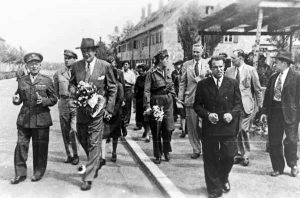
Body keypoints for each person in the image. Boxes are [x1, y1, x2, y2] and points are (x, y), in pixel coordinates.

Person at [69, 38, 117, 190]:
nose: (86, 53)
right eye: (83, 51)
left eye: (89, 50)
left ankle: (88, 177)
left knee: (94, 142)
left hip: (97, 112)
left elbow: (113, 88)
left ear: (95, 51)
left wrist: (108, 109)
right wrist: (76, 91)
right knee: (82, 138)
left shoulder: (105, 66)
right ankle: (94, 162)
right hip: (82, 111)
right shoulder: (76, 66)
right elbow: (71, 83)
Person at [193, 55, 242, 198]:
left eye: (221, 67)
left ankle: (223, 177)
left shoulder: (232, 83)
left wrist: (231, 114)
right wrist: (207, 115)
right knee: (210, 157)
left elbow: (238, 105)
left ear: (225, 67)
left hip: (228, 126)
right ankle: (214, 188)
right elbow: (197, 106)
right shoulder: (203, 84)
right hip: (211, 127)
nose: (219, 69)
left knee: (229, 155)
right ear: (211, 68)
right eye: (215, 67)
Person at [11, 52, 57, 184]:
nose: (34, 66)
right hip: (24, 119)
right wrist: (15, 99)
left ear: (40, 65)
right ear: (27, 66)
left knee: (40, 148)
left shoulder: (47, 80)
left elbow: (54, 99)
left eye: (36, 64)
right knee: (21, 145)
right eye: (31, 64)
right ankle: (20, 174)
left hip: (41, 119)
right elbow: (18, 98)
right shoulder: (22, 80)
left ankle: (38, 172)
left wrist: (43, 101)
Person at [261, 50, 300, 177]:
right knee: (274, 141)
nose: (274, 64)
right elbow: (267, 96)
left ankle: (293, 164)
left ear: (284, 63)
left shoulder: (296, 76)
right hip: (275, 113)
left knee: (291, 141)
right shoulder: (273, 77)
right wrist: (264, 112)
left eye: (276, 62)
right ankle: (278, 167)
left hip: (291, 114)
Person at [225, 49, 263, 166]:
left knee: (243, 129)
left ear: (241, 58)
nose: (231, 60)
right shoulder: (229, 71)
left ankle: (246, 155)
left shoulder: (250, 70)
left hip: (246, 106)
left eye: (233, 58)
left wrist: (260, 107)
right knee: (235, 130)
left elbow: (257, 89)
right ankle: (238, 154)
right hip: (233, 107)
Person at [178, 44, 210, 159]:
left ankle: (207, 148)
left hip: (205, 101)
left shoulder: (208, 64)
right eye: (194, 52)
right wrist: (180, 99)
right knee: (192, 127)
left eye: (197, 52)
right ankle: (196, 149)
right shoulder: (187, 65)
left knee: (204, 126)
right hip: (190, 99)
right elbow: (182, 82)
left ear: (202, 52)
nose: (195, 54)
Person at [144, 49, 175, 164]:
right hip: (156, 101)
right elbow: (147, 91)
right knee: (156, 129)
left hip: (168, 102)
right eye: (166, 58)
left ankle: (166, 150)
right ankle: (158, 154)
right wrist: (147, 105)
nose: (167, 60)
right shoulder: (151, 73)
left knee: (168, 128)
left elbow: (171, 85)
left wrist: (173, 96)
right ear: (160, 60)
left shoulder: (168, 70)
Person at [53, 50, 79, 165]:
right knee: (65, 131)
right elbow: (55, 90)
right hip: (63, 103)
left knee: (74, 130)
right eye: (65, 58)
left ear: (74, 59)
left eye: (69, 58)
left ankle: (76, 155)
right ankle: (69, 155)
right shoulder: (58, 73)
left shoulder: (80, 73)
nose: (66, 60)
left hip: (76, 103)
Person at [134, 64, 151, 142]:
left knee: (146, 118)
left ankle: (148, 134)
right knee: (141, 117)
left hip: (146, 100)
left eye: (142, 71)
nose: (140, 72)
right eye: (139, 71)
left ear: (145, 71)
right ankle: (145, 130)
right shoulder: (138, 78)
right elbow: (135, 88)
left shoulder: (148, 78)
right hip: (139, 100)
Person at [171, 60, 186, 138]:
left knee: (184, 112)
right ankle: (183, 129)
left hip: (185, 94)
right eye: (176, 65)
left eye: (179, 65)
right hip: (178, 93)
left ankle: (184, 128)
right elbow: (173, 83)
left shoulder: (184, 72)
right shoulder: (174, 73)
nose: (178, 66)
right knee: (180, 111)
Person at [122, 61, 136, 134]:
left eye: (126, 64)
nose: (125, 66)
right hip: (122, 89)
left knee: (128, 105)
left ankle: (126, 121)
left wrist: (127, 82)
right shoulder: (121, 72)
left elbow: (133, 83)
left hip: (128, 89)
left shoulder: (131, 73)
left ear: (129, 65)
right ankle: (123, 120)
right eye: (124, 64)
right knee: (122, 105)